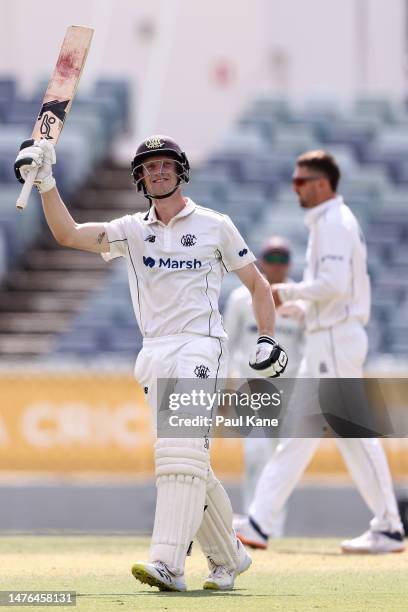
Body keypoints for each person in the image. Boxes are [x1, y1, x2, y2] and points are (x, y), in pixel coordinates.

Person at [14, 135, 288, 591]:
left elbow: (258, 286)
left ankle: (168, 564)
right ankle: (229, 557)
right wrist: (45, 182)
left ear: (180, 171)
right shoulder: (131, 230)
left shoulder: (215, 225)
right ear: (139, 178)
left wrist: (266, 340)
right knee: (188, 464)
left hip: (201, 346)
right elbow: (67, 234)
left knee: (179, 454)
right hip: (154, 351)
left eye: (165, 165)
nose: (157, 172)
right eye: (148, 167)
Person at [234, 150, 405, 554]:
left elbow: (333, 286)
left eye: (301, 181)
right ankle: (259, 521)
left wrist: (286, 292)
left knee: (355, 435)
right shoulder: (327, 223)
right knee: (299, 435)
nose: (296, 188)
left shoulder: (333, 223)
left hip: (334, 339)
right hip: (327, 335)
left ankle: (390, 526)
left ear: (323, 183)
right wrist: (301, 308)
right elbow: (331, 290)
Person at [223, 237, 304, 534]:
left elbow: (308, 350)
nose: (277, 265)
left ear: (290, 264)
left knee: (279, 460)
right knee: (256, 454)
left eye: (283, 259)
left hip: (289, 389)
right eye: (272, 258)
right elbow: (227, 345)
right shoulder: (241, 299)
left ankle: (272, 530)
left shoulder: (300, 301)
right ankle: (254, 523)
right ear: (260, 261)